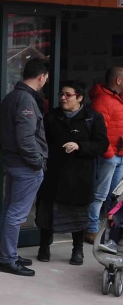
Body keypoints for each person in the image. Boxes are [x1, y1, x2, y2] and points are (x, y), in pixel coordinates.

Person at [37, 80, 108, 265]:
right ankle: (44, 247)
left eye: (68, 95)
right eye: (61, 94)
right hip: (54, 173)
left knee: (77, 215)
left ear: (80, 98)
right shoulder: (52, 116)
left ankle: (77, 250)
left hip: (80, 176)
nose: (63, 98)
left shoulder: (92, 117)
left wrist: (80, 146)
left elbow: (102, 144)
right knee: (47, 212)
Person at [0, 58, 49, 277]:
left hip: (14, 163)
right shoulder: (26, 99)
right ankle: (8, 259)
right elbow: (25, 138)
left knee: (10, 210)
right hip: (25, 166)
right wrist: (37, 162)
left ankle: (6, 254)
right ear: (41, 77)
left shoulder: (12, 96)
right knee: (16, 214)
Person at [88, 66, 123, 250]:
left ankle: (112, 232)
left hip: (119, 156)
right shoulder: (102, 100)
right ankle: (92, 229)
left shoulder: (118, 99)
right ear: (118, 80)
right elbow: (99, 132)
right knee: (100, 195)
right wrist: (109, 154)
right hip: (109, 156)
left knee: (114, 197)